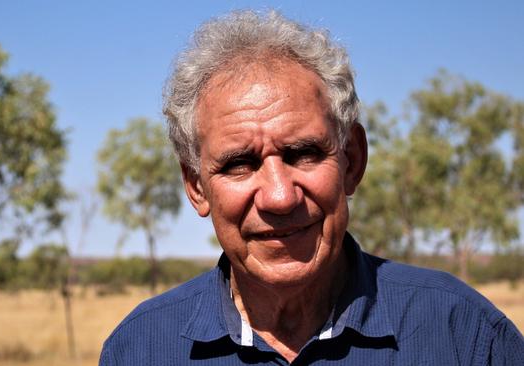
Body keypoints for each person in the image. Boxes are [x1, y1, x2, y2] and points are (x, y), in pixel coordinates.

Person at [100, 10, 523, 365]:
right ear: (196, 187)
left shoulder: (459, 334)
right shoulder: (141, 349)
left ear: (352, 160)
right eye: (239, 164)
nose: (280, 197)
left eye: (304, 153)